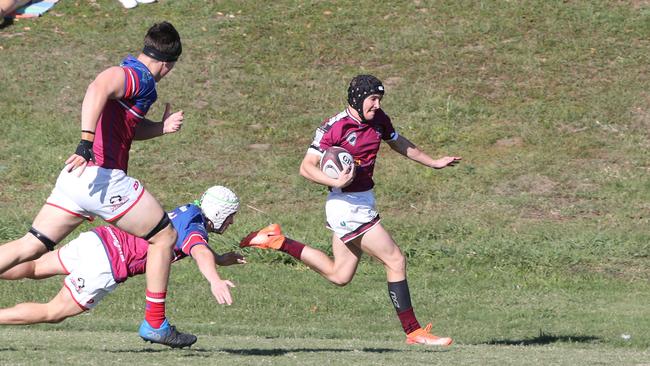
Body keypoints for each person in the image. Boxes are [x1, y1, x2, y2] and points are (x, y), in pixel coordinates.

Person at [0, 22, 190, 346]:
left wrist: (160, 128)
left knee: (30, 246)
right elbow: (97, 87)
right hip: (102, 176)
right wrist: (85, 142)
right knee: (165, 236)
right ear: (168, 63)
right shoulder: (138, 76)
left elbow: (128, 127)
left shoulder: (136, 77)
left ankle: (156, 323)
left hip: (76, 180)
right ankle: (155, 322)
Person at [241, 74, 462, 346]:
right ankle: (414, 332)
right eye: (372, 99)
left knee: (339, 275)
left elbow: (398, 142)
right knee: (395, 260)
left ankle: (277, 240)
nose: (377, 105)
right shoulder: (334, 127)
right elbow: (306, 166)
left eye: (379, 99)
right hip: (347, 206)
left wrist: (434, 162)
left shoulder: (379, 120)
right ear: (357, 99)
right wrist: (335, 180)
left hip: (362, 201)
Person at [0, 185, 243, 349]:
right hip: (109, 262)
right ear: (219, 212)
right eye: (231, 215)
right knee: (54, 312)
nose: (231, 221)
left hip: (99, 240)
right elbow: (198, 250)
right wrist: (214, 279)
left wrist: (220, 259)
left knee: (33, 268)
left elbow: (192, 243)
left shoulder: (190, 212)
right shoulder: (196, 227)